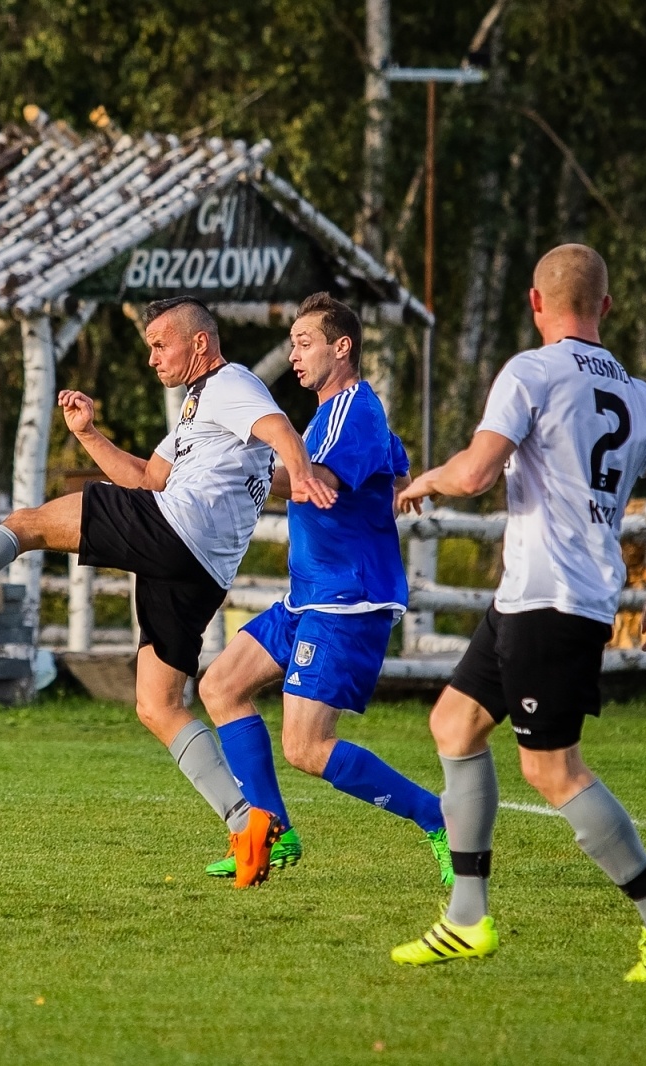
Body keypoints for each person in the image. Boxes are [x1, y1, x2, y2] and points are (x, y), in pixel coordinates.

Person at [0, 296, 337, 887]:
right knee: (158, 704)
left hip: (177, 528)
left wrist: (297, 470)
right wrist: (88, 434)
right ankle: (245, 821)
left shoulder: (231, 383)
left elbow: (275, 427)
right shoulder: (198, 409)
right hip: (201, 569)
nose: (152, 357)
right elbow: (149, 478)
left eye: (160, 344)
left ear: (200, 343)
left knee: (26, 524)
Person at [389, 245, 646, 982]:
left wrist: (425, 482)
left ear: (536, 304)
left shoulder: (530, 372)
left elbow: (472, 474)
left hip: (555, 603)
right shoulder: (640, 395)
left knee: (552, 768)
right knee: (454, 724)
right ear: (606, 306)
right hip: (531, 600)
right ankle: (467, 918)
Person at [197, 293, 452, 885]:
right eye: (291, 344)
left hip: (346, 601)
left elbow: (315, 481)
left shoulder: (350, 410)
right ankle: (272, 833)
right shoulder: (338, 416)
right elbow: (397, 472)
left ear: (343, 347)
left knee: (306, 747)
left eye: (303, 343)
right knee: (221, 685)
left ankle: (439, 818)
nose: (293, 356)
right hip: (310, 596)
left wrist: (234, 470)